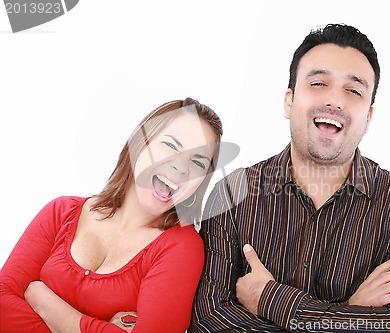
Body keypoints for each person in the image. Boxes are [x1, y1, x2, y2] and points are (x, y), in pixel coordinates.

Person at [189, 24, 390, 332]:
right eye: (319, 83)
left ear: (368, 117)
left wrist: (270, 298)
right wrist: (351, 314)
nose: (335, 100)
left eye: (354, 90)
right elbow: (209, 321)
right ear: (289, 102)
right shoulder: (232, 193)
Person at [0, 97, 223, 333]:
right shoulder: (61, 211)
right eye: (171, 145)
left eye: (198, 162)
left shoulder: (182, 247)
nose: (181, 167)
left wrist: (41, 299)